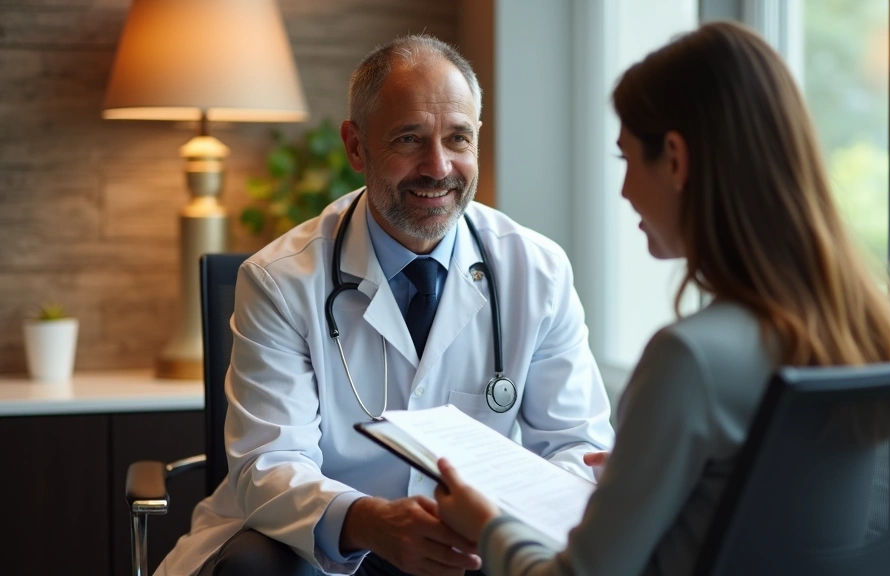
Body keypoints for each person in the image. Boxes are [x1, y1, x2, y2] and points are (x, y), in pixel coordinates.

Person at [433, 20, 890, 576]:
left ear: (677, 160)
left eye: (626, 159)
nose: (624, 190)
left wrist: (487, 523)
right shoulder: (859, 326)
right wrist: (662, 473)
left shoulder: (691, 359)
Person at [156, 34, 614, 576]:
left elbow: (576, 447)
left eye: (458, 139)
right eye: (409, 139)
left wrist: (500, 523)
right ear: (356, 146)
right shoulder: (280, 280)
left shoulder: (537, 270)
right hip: (332, 543)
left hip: (477, 543)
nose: (438, 167)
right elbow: (269, 464)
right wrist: (372, 522)